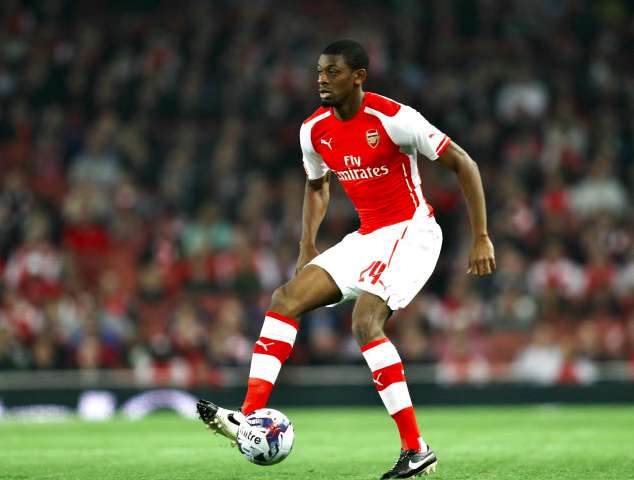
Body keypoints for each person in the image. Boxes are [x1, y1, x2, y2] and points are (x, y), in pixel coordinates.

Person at [197, 39, 496, 479]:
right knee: (285, 299)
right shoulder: (313, 130)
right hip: (368, 236)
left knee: (364, 322)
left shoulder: (394, 118)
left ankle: (416, 449)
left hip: (412, 232)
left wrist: (481, 237)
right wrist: (307, 245)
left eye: (332, 72)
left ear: (359, 77)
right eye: (319, 72)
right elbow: (317, 186)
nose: (322, 80)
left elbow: (464, 163)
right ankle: (249, 414)